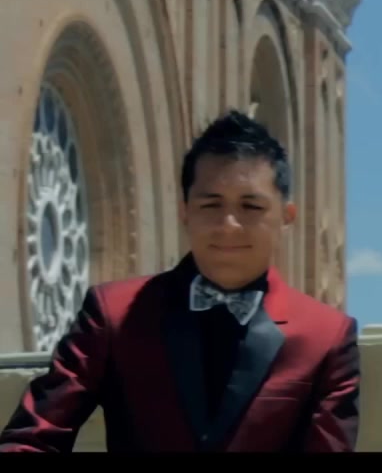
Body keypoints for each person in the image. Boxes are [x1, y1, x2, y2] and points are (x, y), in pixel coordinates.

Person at [0, 111, 361, 453]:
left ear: (286, 215)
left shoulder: (326, 338)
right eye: (211, 205)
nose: (229, 225)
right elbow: (33, 436)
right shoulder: (113, 313)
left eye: (251, 207)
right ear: (184, 210)